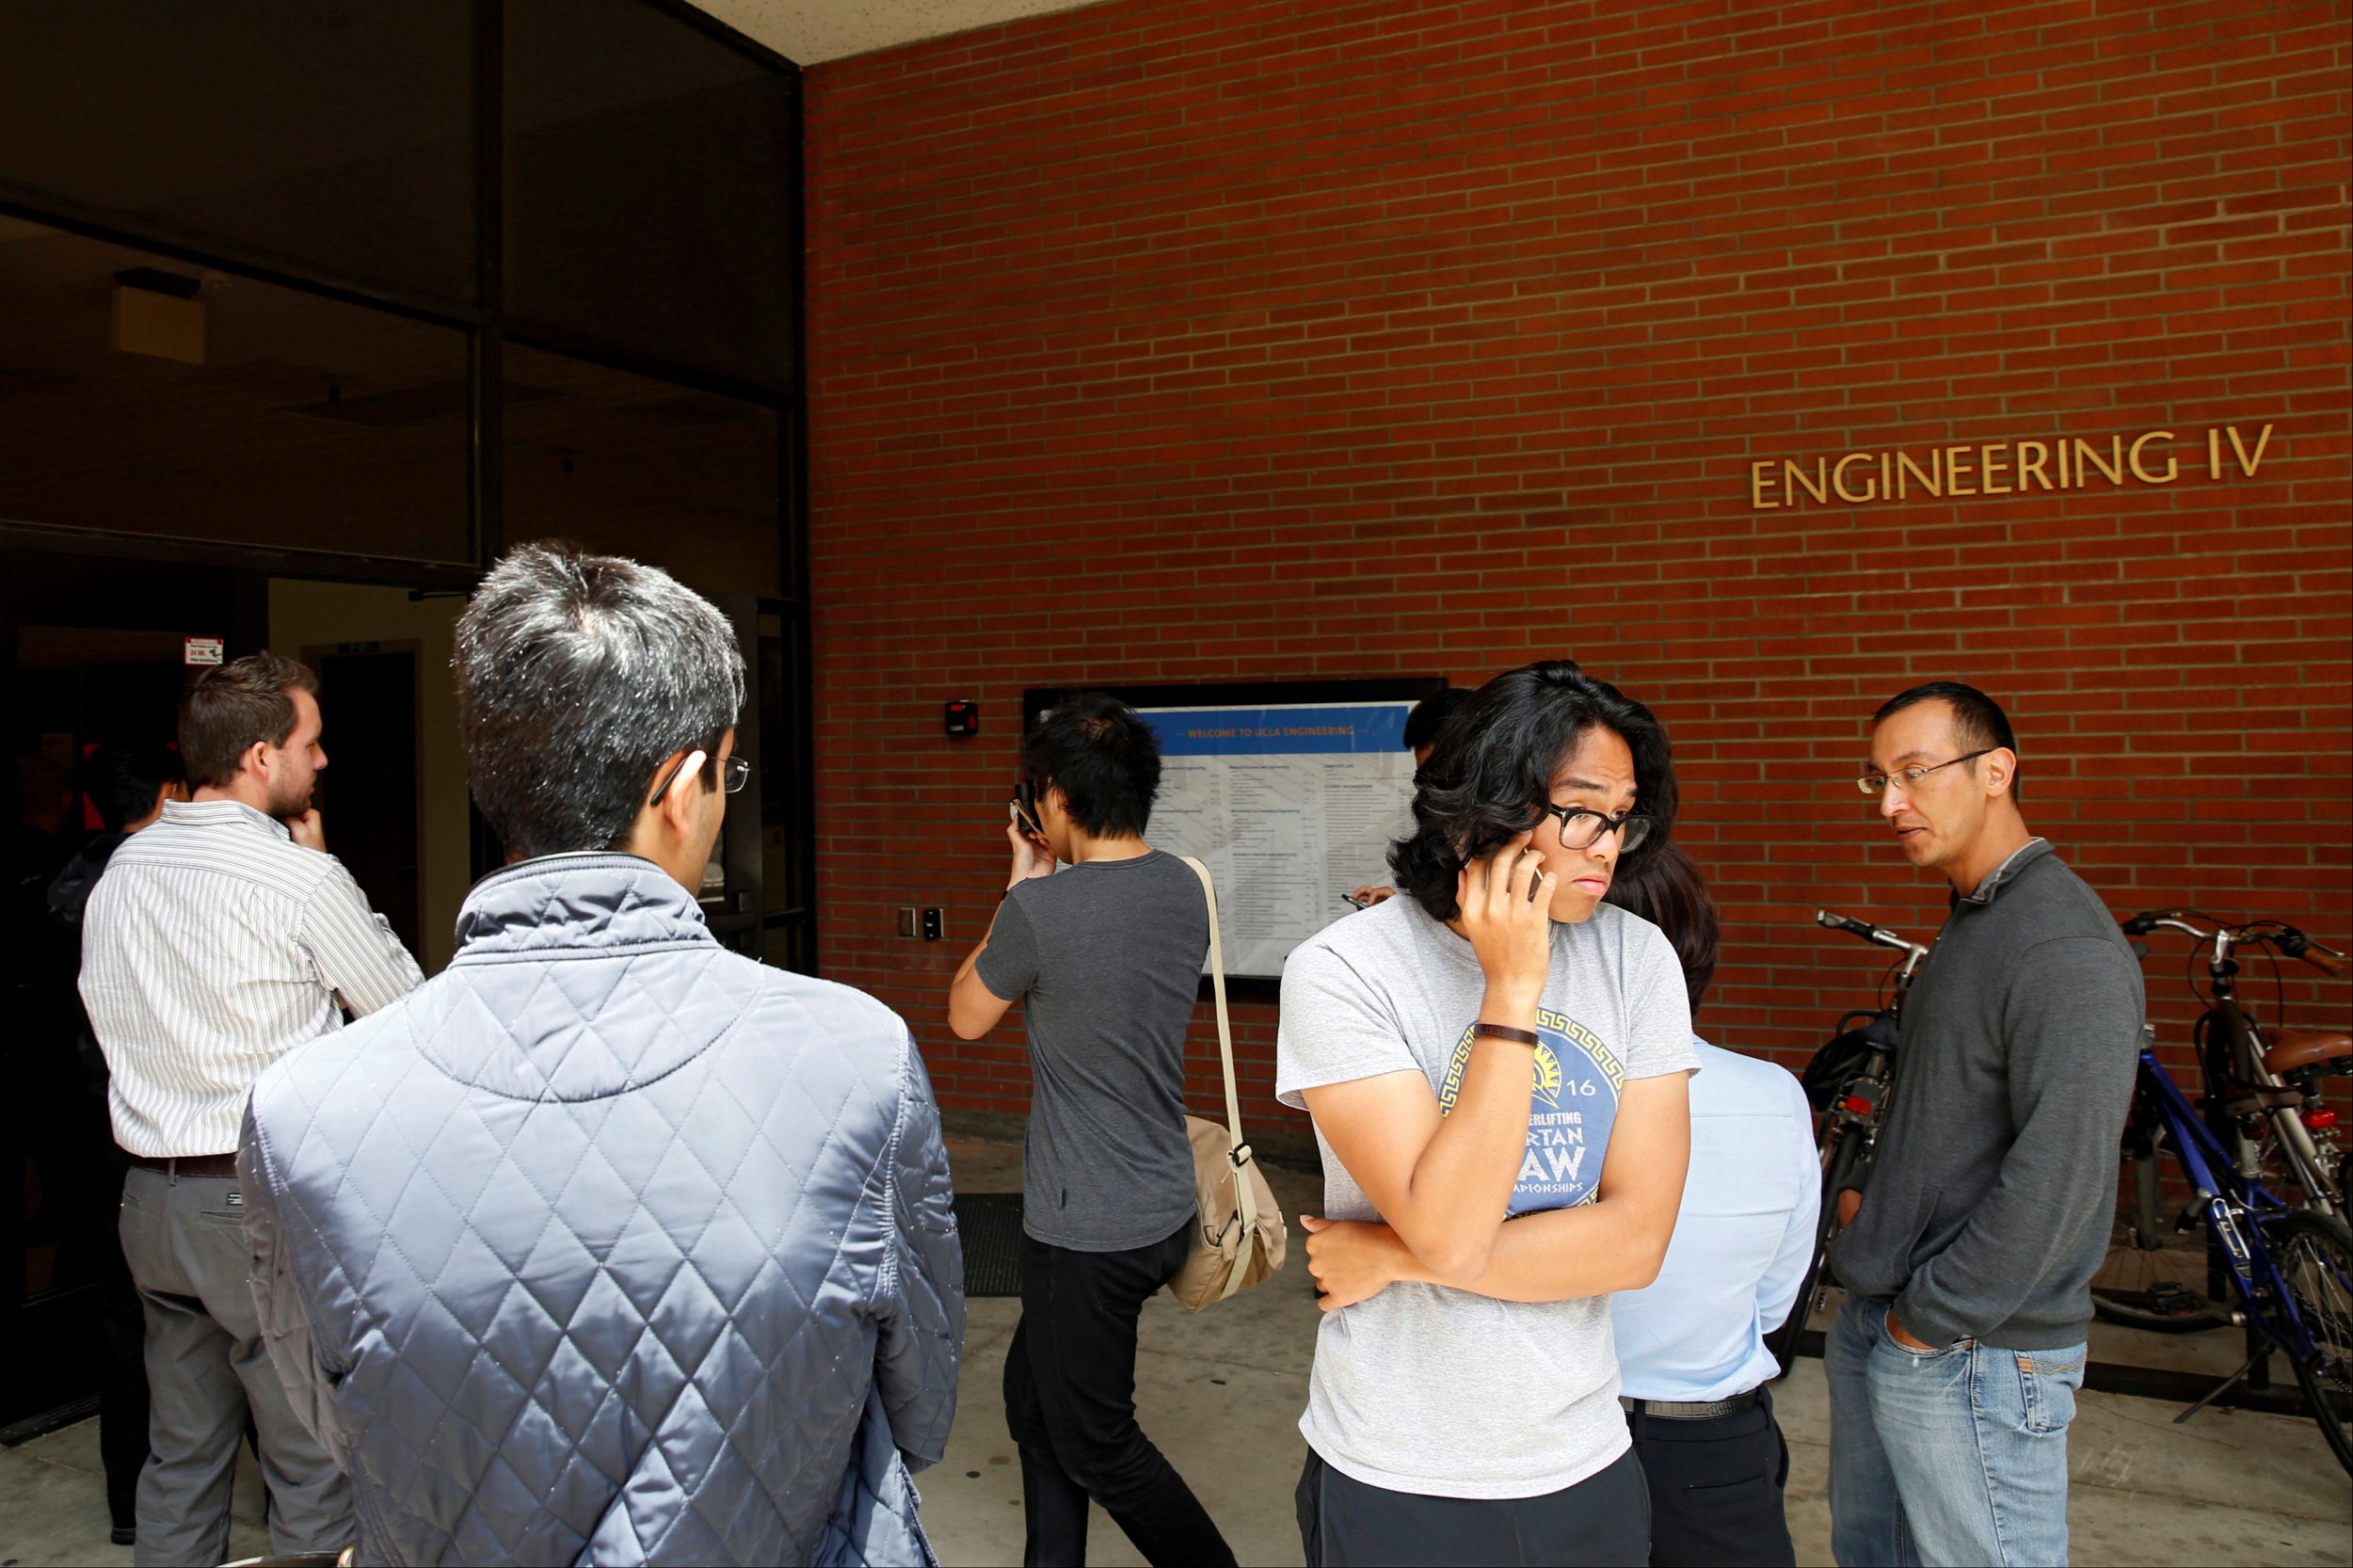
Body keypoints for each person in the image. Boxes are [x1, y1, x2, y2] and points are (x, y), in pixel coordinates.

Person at [237, 543, 964, 1565]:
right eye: (727, 772)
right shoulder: (855, 1058)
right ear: (681, 786)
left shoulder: (303, 1106)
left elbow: (335, 1416)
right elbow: (920, 1404)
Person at [1279, 660, 1695, 1567]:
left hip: (1584, 1452)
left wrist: (1391, 1256)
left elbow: (1636, 1242)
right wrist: (1512, 986)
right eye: (1582, 809)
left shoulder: (1639, 958)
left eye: (1623, 815)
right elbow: (1453, 1230)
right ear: (1484, 807)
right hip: (1398, 1466)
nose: (1607, 844)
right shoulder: (1347, 971)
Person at [79, 651, 419, 1567]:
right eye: (312, 743)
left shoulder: (121, 874)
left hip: (151, 1202)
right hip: (259, 1201)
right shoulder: (297, 879)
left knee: (181, 1457)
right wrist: (323, 863)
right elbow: (409, 1023)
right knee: (311, 1464)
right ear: (262, 756)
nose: (323, 762)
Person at [1827, 681, 2143, 1567]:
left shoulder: (2062, 946)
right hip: (1908, 1322)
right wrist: (1874, 1207)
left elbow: (2064, 1171)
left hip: (1974, 1352)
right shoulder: (1977, 922)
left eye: (1915, 772)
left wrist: (1930, 1321)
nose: (1892, 803)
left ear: (1997, 770)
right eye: (1878, 779)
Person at [947, 691, 1237, 1568]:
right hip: (1158, 1202)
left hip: (1086, 1227)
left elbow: (965, 1015)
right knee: (1036, 1406)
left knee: (1100, 1441)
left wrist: (1021, 882)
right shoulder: (1185, 883)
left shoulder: (1043, 913)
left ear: (1055, 800)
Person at [1604, 845, 1816, 1568]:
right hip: (1712, 1447)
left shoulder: (1525, 1107)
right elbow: (1775, 1301)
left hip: (1553, 1442)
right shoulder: (1775, 1095)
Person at [46, 742, 187, 1547]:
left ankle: (133, 1504)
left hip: (103, 1115)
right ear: (171, 792)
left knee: (128, 1313)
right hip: (164, 1120)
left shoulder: (79, 879)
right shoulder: (159, 885)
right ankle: (286, 1500)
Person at [1352, 685, 1473, 906]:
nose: (1433, 791)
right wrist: (1404, 911)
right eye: (1424, 776)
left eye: (1444, 775)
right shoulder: (1439, 825)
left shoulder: (1511, 829)